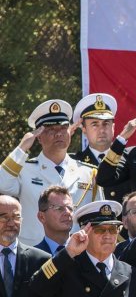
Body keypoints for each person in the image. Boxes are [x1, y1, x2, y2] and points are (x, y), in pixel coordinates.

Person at [0, 99, 103, 245]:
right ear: (39, 137)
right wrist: (22, 148)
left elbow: (98, 216)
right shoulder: (23, 169)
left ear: (70, 131)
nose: (58, 133)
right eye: (50, 129)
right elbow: (2, 184)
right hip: (35, 253)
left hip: (78, 254)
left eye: (63, 128)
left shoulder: (89, 172)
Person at [73, 93, 130, 203]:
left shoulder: (129, 158)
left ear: (113, 127)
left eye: (106, 123)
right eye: (95, 124)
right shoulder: (75, 162)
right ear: (84, 129)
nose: (102, 130)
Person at [35, 186, 74, 254]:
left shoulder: (88, 252)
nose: (67, 212)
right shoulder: (31, 258)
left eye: (70, 208)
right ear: (42, 217)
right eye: (59, 208)